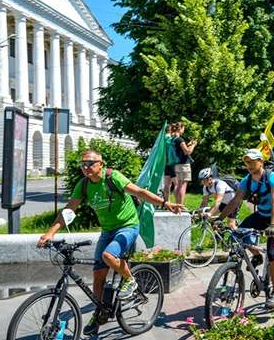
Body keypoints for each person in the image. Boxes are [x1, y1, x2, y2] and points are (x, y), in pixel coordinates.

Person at [37, 150, 183, 335]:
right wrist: (49, 233)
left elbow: (139, 191)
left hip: (128, 225)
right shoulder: (83, 185)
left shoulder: (113, 177)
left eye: (90, 163)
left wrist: (164, 203)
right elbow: (69, 209)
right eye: (83, 164)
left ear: (101, 163)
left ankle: (130, 280)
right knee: (98, 275)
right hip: (107, 230)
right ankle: (98, 314)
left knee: (108, 255)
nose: (85, 167)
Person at [219, 148, 274, 310]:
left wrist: (273, 225)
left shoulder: (272, 178)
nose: (249, 165)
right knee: (238, 235)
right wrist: (219, 218)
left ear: (261, 162)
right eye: (247, 162)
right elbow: (235, 201)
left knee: (273, 253)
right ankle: (257, 256)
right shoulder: (247, 180)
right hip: (261, 215)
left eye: (252, 162)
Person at [172, 122, 197, 206]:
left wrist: (188, 145)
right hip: (183, 165)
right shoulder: (180, 139)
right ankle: (180, 206)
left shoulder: (172, 139)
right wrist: (193, 145)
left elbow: (181, 150)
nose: (183, 130)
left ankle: (177, 205)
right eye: (183, 129)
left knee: (178, 185)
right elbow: (187, 152)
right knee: (183, 186)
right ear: (180, 128)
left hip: (176, 165)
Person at [163, 123, 178, 203]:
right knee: (176, 184)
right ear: (171, 130)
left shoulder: (162, 138)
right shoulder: (169, 139)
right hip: (172, 162)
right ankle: (178, 203)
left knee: (167, 184)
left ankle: (166, 202)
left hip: (165, 164)